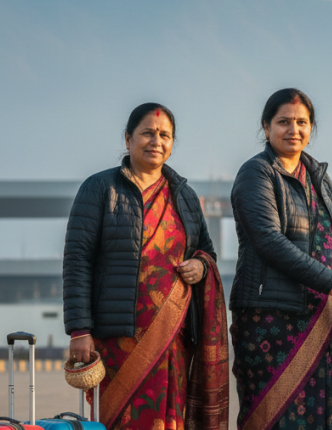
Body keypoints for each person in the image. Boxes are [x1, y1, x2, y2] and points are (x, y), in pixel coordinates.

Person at [229, 88, 332, 430]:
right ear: (266, 126)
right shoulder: (256, 174)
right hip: (269, 318)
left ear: (312, 127)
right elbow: (269, 241)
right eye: (283, 122)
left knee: (316, 414)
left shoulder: (318, 177)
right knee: (270, 416)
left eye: (302, 122)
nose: (293, 130)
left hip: (317, 319)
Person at [63, 103, 229, 429]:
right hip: (117, 340)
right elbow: (77, 260)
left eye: (165, 135)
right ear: (128, 139)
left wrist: (201, 265)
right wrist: (80, 330)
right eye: (147, 133)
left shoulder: (184, 196)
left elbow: (205, 251)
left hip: (173, 339)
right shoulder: (100, 189)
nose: (156, 141)